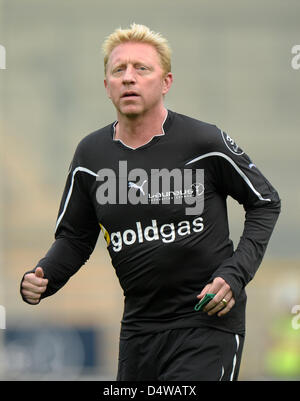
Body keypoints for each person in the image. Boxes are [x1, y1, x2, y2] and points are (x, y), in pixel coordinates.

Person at [20, 23, 281, 381]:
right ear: (107, 86)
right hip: (139, 330)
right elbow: (76, 239)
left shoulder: (204, 142)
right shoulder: (90, 155)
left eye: (141, 68)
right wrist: (44, 276)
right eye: (119, 70)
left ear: (166, 82)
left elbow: (265, 202)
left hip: (206, 324)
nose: (129, 78)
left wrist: (234, 275)